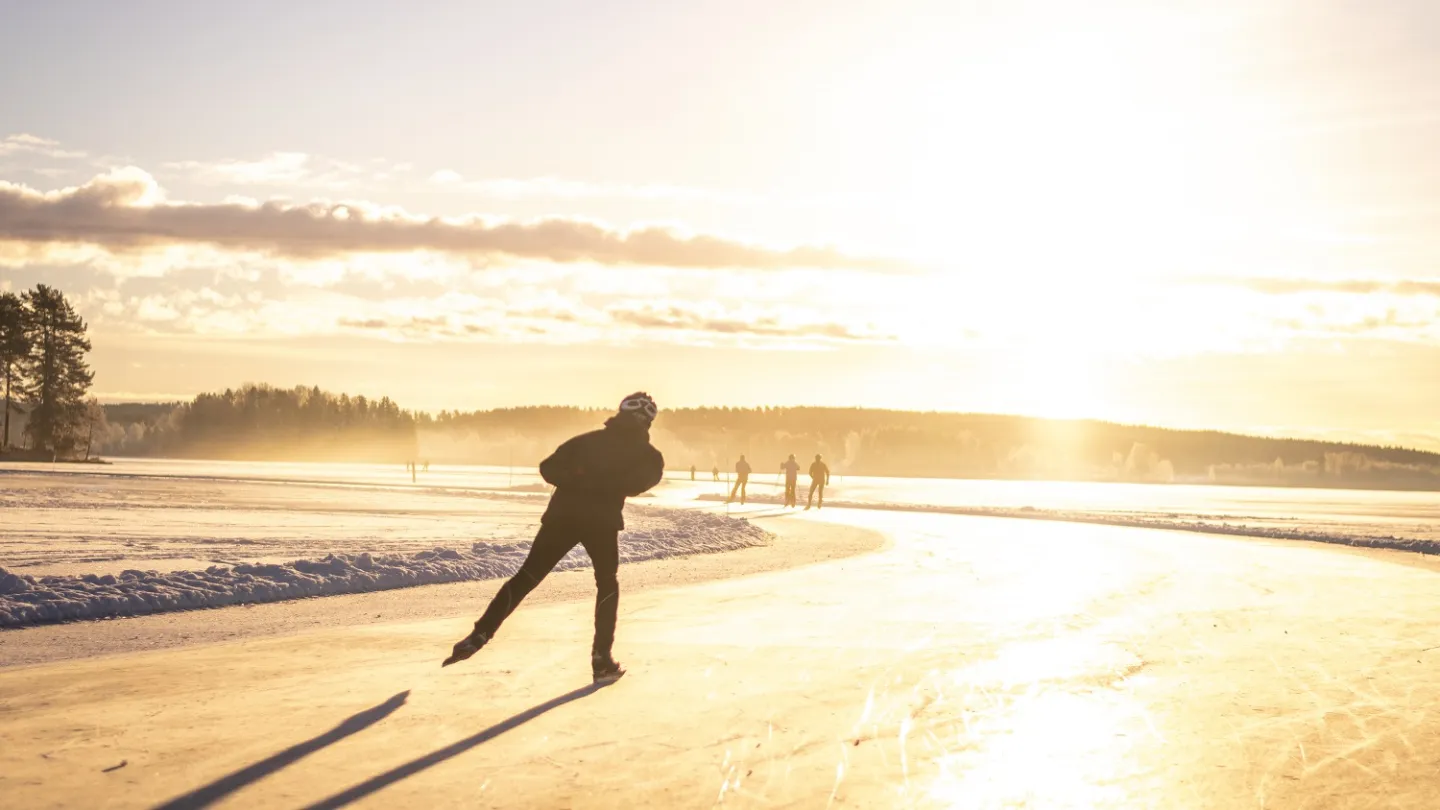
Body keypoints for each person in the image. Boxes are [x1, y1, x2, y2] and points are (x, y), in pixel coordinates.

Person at [443, 392, 664, 683]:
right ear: (647, 422)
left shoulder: (586, 441)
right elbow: (639, 482)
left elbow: (549, 467)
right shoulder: (648, 456)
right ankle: (601, 658)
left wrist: (579, 477)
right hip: (601, 523)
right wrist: (605, 483)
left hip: (563, 518)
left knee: (527, 577)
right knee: (607, 584)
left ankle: (480, 633)